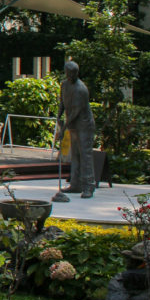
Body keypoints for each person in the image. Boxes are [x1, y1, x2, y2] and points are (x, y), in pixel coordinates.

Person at [57, 60, 96, 198]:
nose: (71, 76)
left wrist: (63, 129)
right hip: (73, 124)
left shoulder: (81, 89)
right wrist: (58, 117)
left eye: (73, 73)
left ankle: (89, 186)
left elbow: (75, 112)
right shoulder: (64, 85)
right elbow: (62, 103)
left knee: (85, 155)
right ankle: (75, 184)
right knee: (75, 154)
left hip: (84, 124)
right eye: (69, 73)